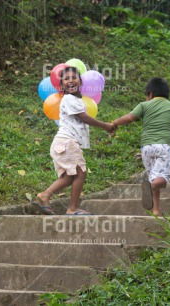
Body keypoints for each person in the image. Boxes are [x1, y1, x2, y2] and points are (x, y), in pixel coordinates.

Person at [32, 67, 116, 215]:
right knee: (80, 173)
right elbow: (83, 117)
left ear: (80, 81)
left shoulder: (75, 99)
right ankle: (72, 208)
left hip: (63, 143)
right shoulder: (70, 99)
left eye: (74, 77)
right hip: (67, 142)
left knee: (69, 177)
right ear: (62, 85)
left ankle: (45, 195)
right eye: (66, 78)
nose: (71, 80)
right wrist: (106, 126)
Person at [112, 77, 170, 216]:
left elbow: (130, 118)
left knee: (154, 176)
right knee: (161, 180)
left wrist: (114, 123)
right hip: (165, 148)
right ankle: (154, 184)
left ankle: (156, 210)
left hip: (146, 149)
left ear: (150, 94)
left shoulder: (144, 105)